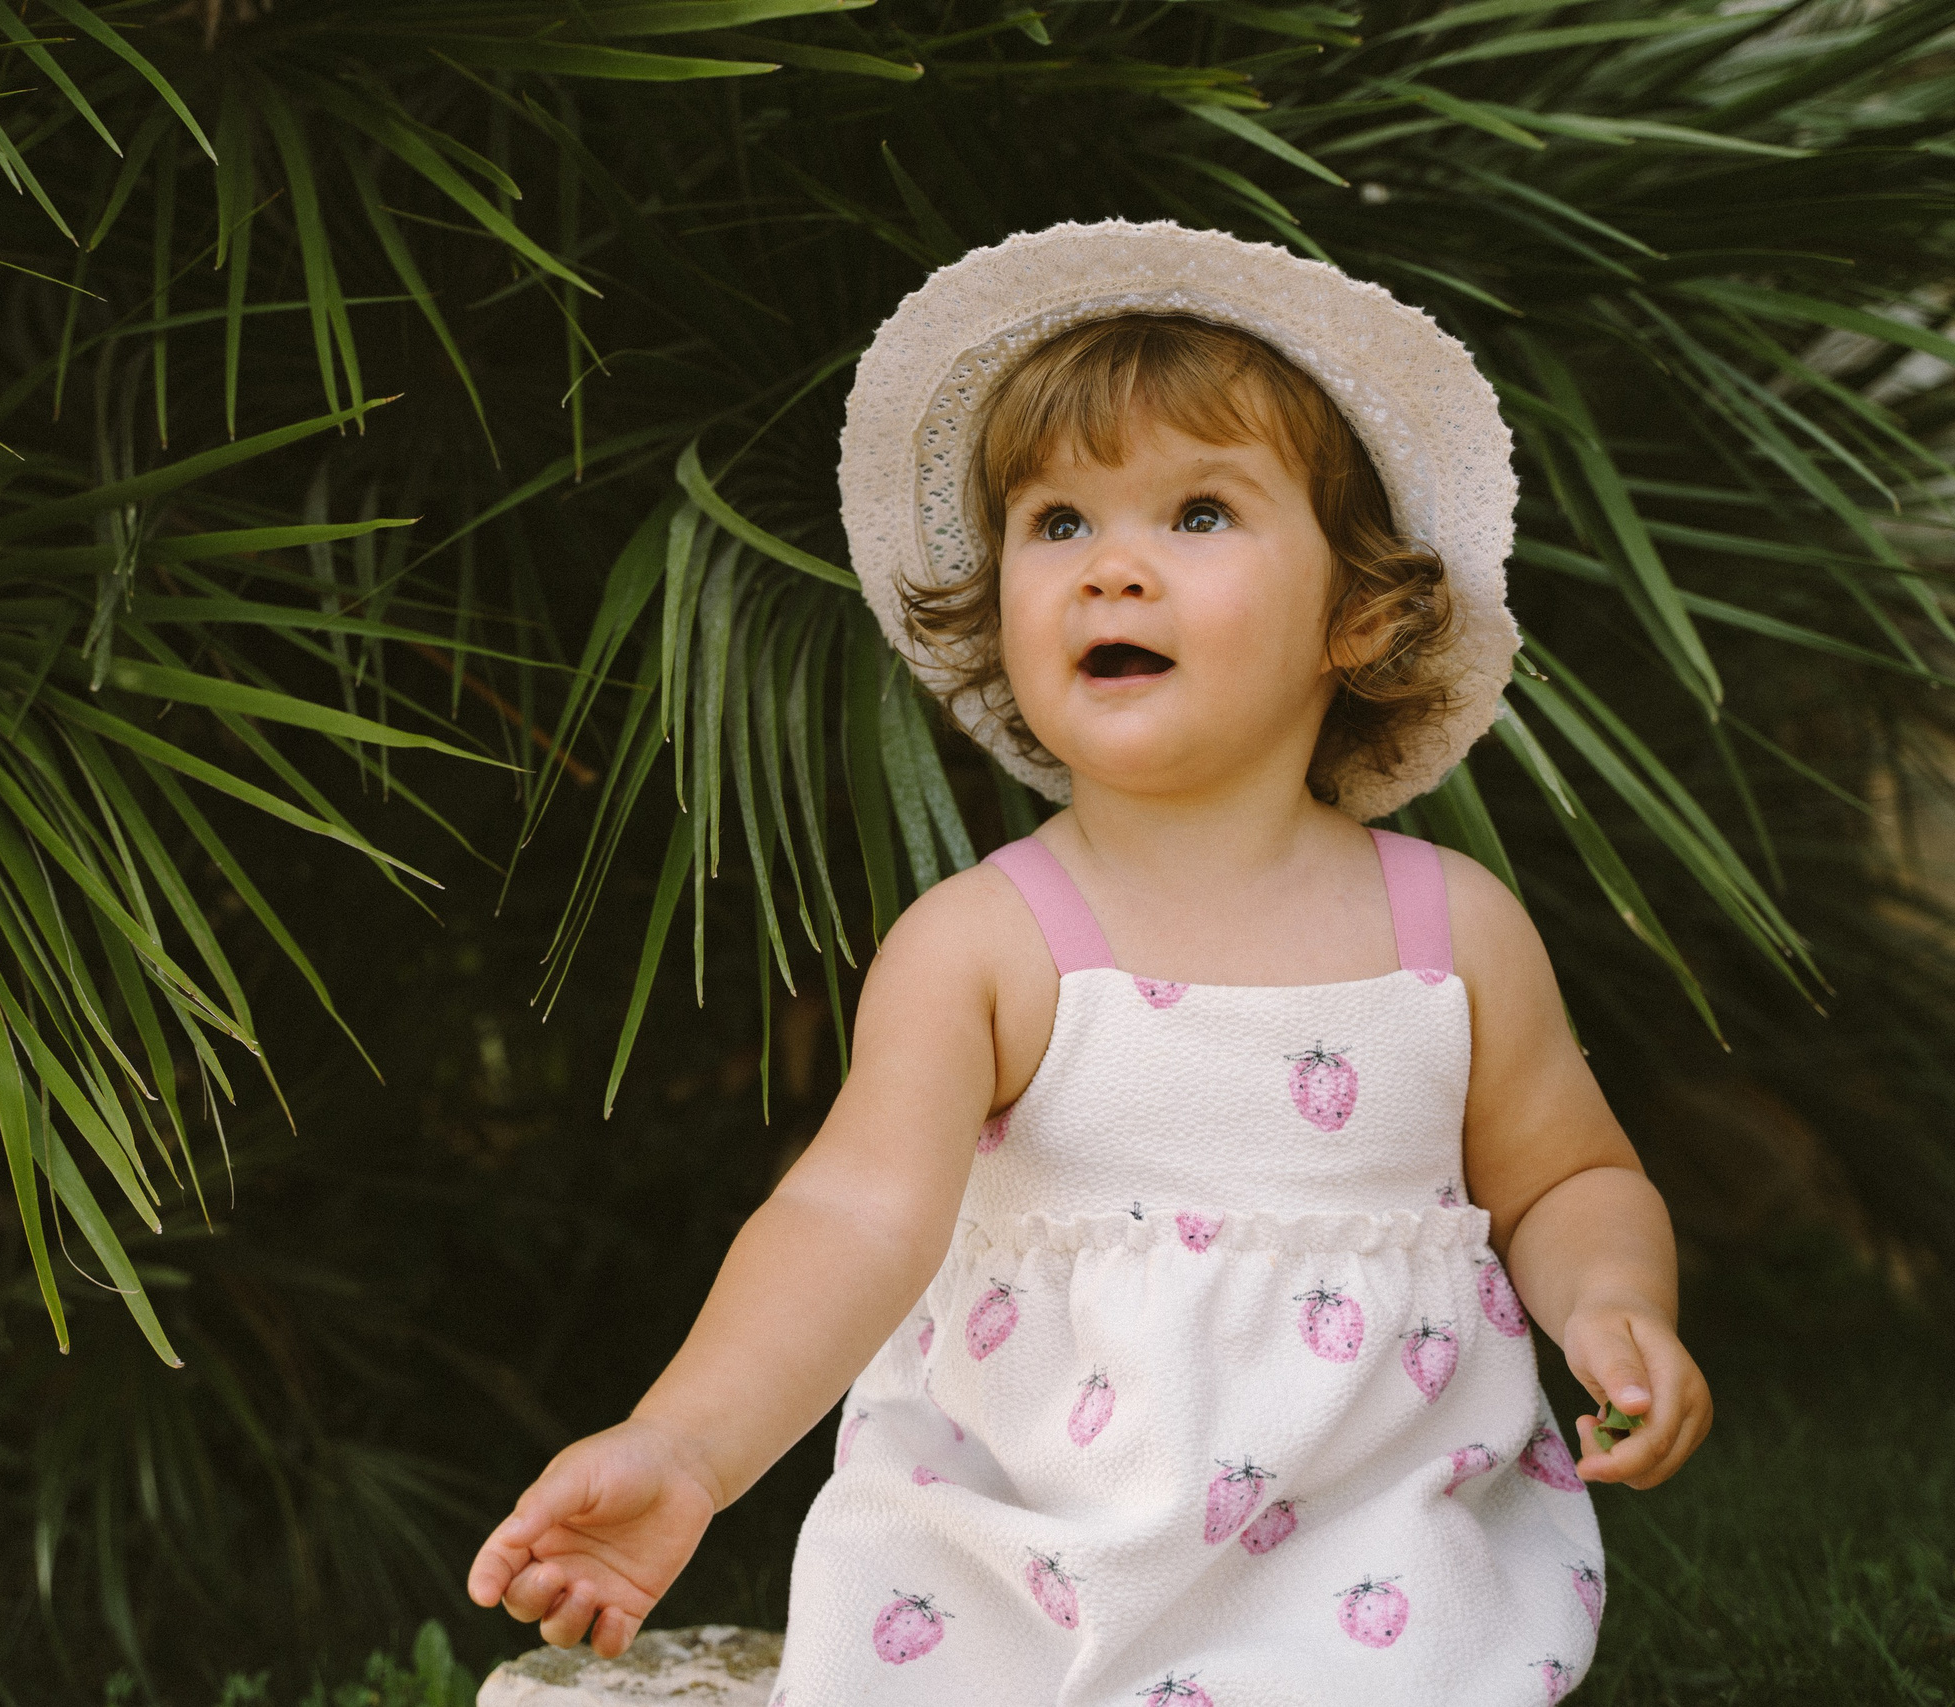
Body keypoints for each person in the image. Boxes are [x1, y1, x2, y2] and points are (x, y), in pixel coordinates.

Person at [466, 220, 1711, 1704]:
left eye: (1198, 514)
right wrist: (688, 1443)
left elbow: (1568, 1175)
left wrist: (1612, 1301)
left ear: (1361, 613)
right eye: (1059, 523)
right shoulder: (987, 947)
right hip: (1030, 1570)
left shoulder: (1450, 936)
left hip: (1367, 1573)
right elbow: (855, 1216)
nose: (1114, 568)